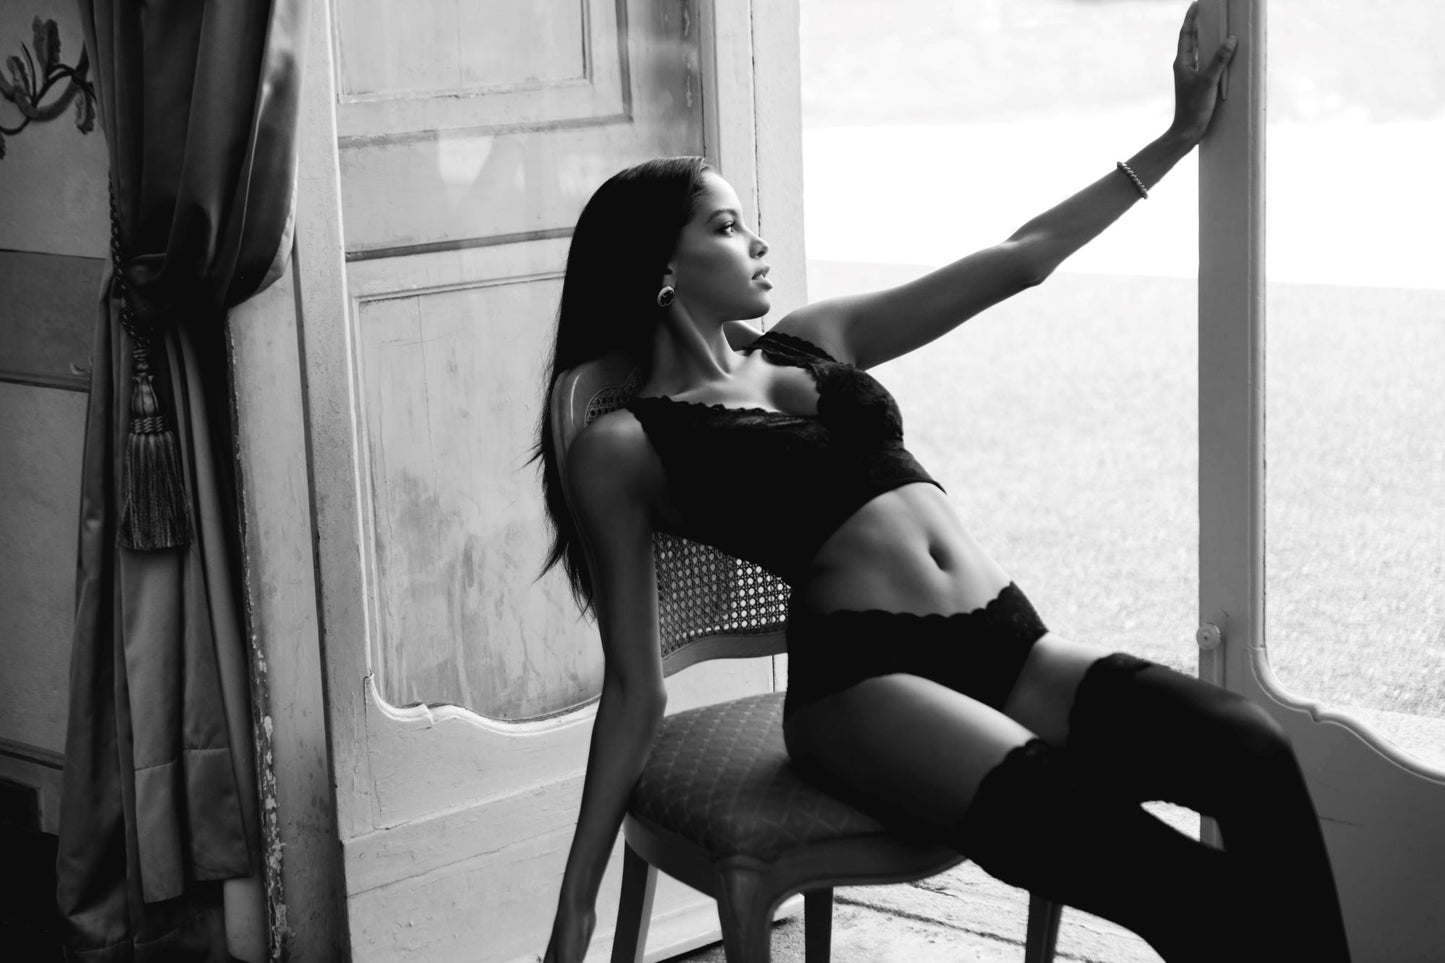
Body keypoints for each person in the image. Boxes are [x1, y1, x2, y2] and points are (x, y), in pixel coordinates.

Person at [535, 4, 1349, 961]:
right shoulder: (623, 443)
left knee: (1249, 748)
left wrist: (1174, 136)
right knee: (1173, 882)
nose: (755, 242)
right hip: (866, 681)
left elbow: (1020, 259)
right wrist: (576, 903)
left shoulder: (815, 337)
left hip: (1008, 639)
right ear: (660, 267)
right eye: (726, 225)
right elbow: (635, 687)